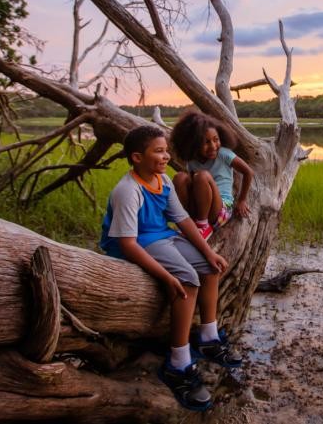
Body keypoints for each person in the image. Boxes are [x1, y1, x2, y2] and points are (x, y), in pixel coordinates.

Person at [99, 125, 241, 412]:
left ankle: (209, 337)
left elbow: (184, 220)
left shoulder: (163, 181)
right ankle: (177, 363)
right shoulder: (127, 190)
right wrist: (166, 276)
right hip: (137, 241)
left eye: (166, 150)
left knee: (210, 268)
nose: (166, 157)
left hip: (161, 234)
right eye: (159, 151)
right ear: (137, 157)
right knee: (187, 278)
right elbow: (127, 243)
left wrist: (208, 251)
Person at [170, 109, 254, 240]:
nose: (213, 146)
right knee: (180, 177)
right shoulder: (192, 161)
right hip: (199, 209)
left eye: (216, 140)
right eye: (206, 142)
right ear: (194, 144)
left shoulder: (223, 154)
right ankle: (187, 222)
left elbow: (248, 172)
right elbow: (191, 187)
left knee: (202, 176)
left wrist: (242, 200)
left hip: (221, 210)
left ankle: (203, 226)